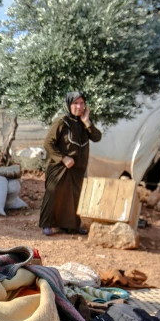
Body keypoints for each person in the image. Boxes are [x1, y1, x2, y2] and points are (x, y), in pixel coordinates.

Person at [40, 92, 102, 236]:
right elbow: (48, 144)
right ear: (69, 105)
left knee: (74, 197)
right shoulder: (62, 122)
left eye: (81, 103)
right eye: (75, 103)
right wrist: (63, 158)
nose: (79, 107)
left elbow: (97, 137)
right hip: (59, 167)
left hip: (77, 169)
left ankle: (71, 226)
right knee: (54, 194)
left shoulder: (84, 122)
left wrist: (87, 122)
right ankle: (47, 224)